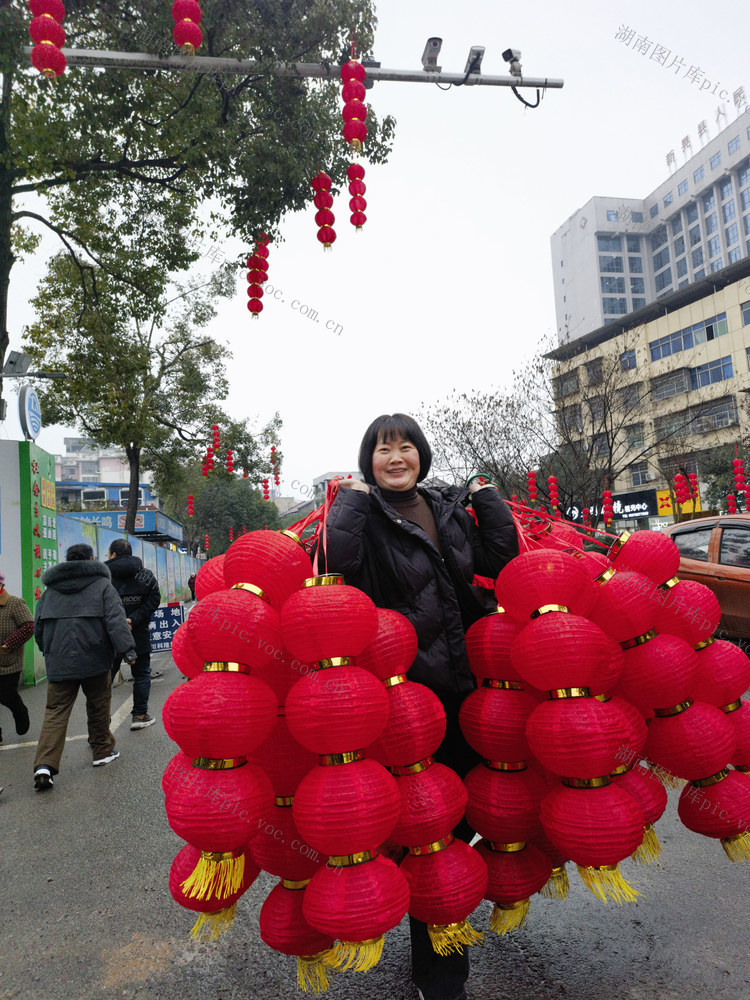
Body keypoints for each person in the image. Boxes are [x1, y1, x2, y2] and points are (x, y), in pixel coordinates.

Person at [321, 413, 519, 1000]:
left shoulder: (446, 507)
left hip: (466, 686)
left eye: (406, 446)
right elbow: (335, 568)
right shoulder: (364, 516)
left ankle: (448, 924)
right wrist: (352, 505)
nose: (396, 456)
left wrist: (490, 500)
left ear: (422, 455)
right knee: (425, 826)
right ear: (368, 461)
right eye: (384, 449)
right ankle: (440, 971)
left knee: (459, 820)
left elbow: (500, 562)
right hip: (405, 695)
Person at [33, 543, 136, 790]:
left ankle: (44, 766)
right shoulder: (102, 586)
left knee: (55, 712)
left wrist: (48, 651)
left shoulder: (49, 591)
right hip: (95, 658)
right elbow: (115, 621)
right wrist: (129, 650)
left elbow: (39, 629)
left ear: (67, 561)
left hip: (59, 662)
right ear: (91, 559)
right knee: (98, 705)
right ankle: (101, 752)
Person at [105, 539, 161, 730]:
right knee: (142, 673)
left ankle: (101, 723)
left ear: (113, 554)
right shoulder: (145, 575)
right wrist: (133, 619)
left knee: (105, 679)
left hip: (110, 635)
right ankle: (139, 715)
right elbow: (154, 600)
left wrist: (118, 621)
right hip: (138, 633)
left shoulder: (103, 577)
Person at [0, 570, 34, 746]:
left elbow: (29, 627)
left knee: (6, 695)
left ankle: (20, 711)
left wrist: (9, 644)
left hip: (8, 660)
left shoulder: (14, 603)